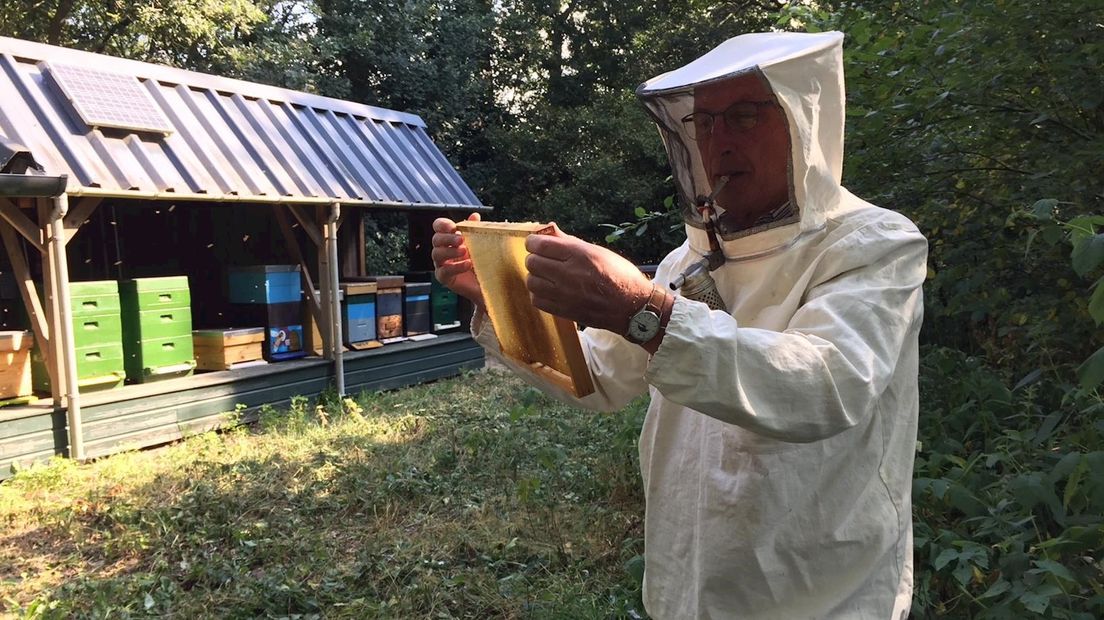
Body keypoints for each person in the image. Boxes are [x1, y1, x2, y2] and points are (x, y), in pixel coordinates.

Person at [432, 31, 927, 619]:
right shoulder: (684, 262)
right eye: (704, 123)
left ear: (804, 120)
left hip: (822, 595)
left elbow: (825, 386)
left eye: (743, 116)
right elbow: (598, 379)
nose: (718, 142)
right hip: (686, 586)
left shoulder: (874, 245)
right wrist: (498, 292)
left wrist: (642, 309)